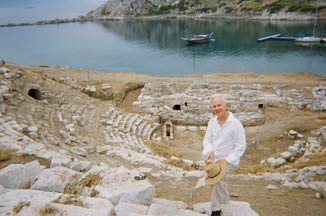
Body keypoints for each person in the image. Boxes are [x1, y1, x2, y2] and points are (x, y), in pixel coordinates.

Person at [202, 94, 247, 216]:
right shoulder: (212, 122)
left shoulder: (235, 124)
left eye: (219, 105)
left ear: (225, 106)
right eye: (214, 106)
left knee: (216, 178)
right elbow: (207, 140)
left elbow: (241, 146)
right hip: (214, 159)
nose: (217, 108)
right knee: (220, 180)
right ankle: (225, 203)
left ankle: (216, 209)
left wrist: (227, 160)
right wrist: (209, 151)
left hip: (230, 161)